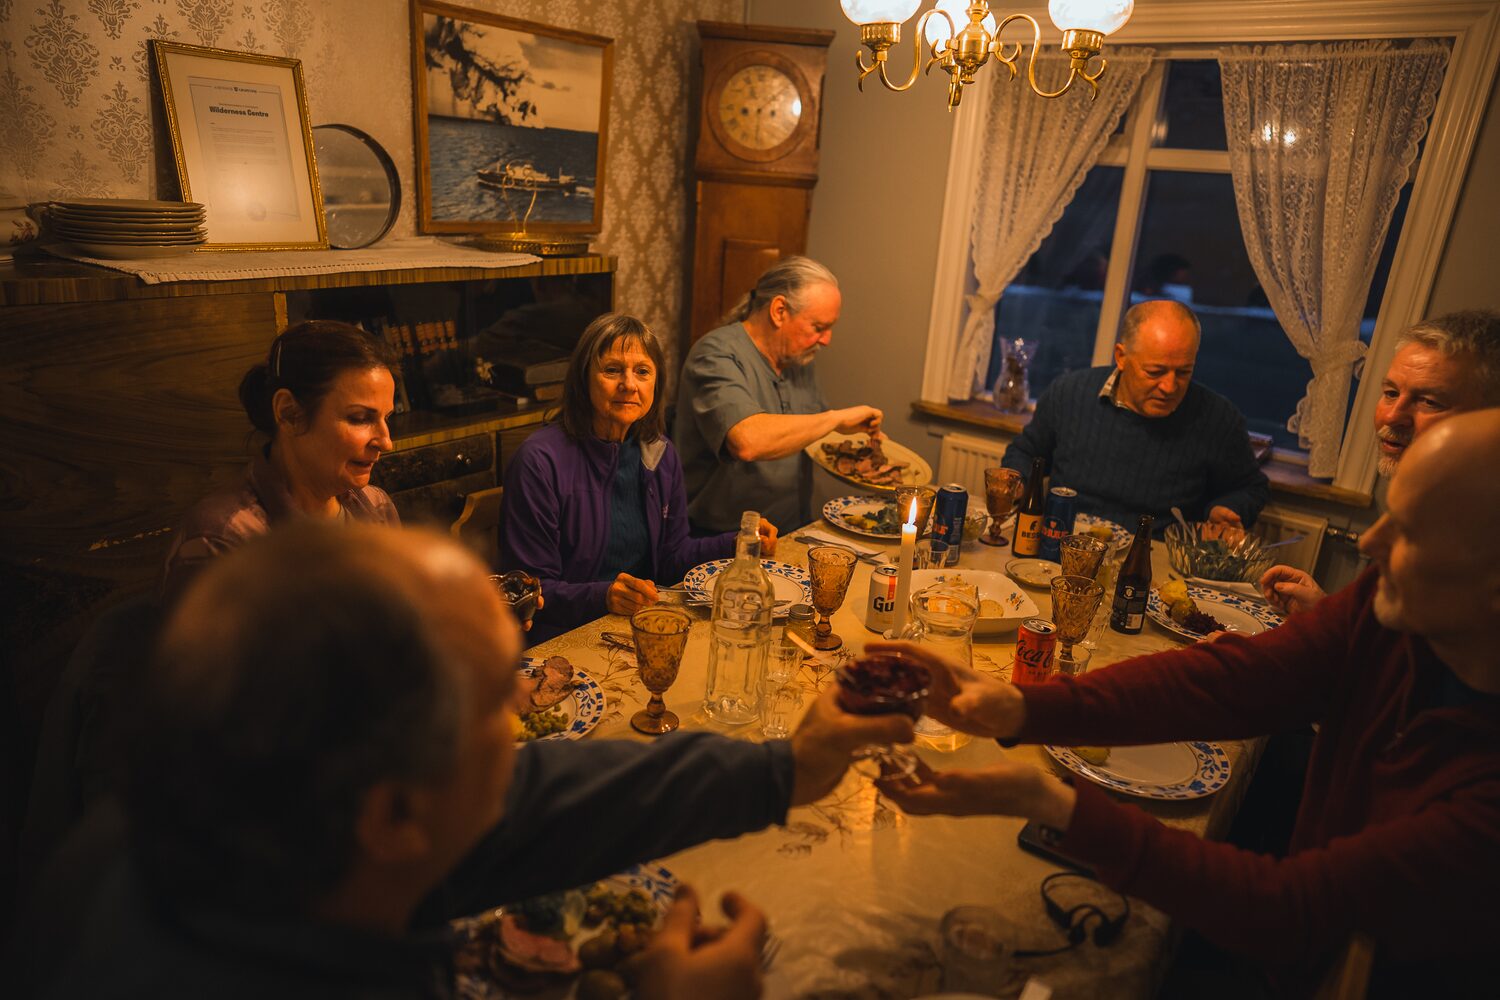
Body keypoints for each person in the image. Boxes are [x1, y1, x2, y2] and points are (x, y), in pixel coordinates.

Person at [29, 523, 914, 999]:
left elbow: (532, 798)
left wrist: (785, 767)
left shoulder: (273, 820)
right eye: (504, 693)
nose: (530, 697)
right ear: (398, 815)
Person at [873, 408, 1500, 996]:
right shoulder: (1393, 613)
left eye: (1410, 531)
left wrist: (1052, 805)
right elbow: (1240, 679)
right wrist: (1020, 708)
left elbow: (1288, 910)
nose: (1370, 545)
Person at [503, 313, 776, 640]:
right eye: (612, 370)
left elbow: (672, 558)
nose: (629, 384)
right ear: (583, 378)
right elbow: (530, 590)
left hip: (635, 624)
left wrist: (736, 543)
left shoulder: (659, 453)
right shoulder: (540, 461)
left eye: (642, 372)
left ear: (655, 383)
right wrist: (604, 596)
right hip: (562, 636)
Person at [1259, 309, 1500, 614]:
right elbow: (1380, 648)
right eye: (1390, 393)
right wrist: (1323, 608)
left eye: (1429, 401)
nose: (1391, 415)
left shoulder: (1475, 542)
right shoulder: (1425, 505)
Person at [160, 319, 401, 603]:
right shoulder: (224, 540)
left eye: (386, 418)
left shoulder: (375, 506)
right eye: (360, 419)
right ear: (289, 413)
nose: (386, 442)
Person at [1001, 299, 1269, 530]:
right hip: (1063, 540)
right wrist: (1017, 481)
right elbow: (1025, 452)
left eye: (1184, 372)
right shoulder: (1070, 393)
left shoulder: (1216, 417)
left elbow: (1249, 487)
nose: (1169, 387)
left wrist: (1226, 510)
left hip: (1152, 559)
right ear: (1121, 357)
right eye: (1155, 372)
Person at [673, 256, 884, 534]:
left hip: (791, 530)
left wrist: (861, 444)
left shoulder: (798, 359)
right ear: (779, 310)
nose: (826, 339)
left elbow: (811, 430)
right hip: (722, 539)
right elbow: (747, 441)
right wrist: (835, 419)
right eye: (818, 327)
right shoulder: (715, 354)